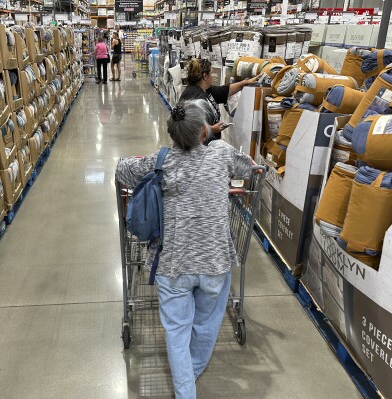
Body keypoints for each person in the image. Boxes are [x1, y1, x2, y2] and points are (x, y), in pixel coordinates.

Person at [115, 100, 255, 399]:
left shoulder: (160, 161)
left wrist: (127, 161)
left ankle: (185, 390)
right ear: (205, 131)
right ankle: (189, 375)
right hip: (214, 261)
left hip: (171, 264)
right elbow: (250, 169)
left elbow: (123, 172)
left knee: (177, 333)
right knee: (205, 325)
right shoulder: (221, 153)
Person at [179, 58, 260, 144]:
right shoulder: (193, 97)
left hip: (208, 146)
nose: (213, 75)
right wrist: (213, 129)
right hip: (197, 150)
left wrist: (245, 83)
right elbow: (190, 127)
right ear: (205, 76)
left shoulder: (206, 90)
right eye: (211, 73)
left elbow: (225, 91)